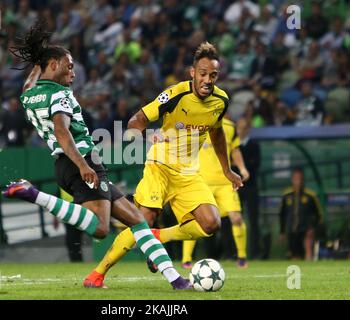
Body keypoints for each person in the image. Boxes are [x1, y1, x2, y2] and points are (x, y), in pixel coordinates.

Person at [3, 21, 189, 290]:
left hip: (65, 164)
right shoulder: (60, 95)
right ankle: (33, 194)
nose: (73, 73)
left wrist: (38, 61)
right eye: (69, 66)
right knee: (101, 229)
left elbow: (32, 81)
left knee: (137, 220)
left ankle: (176, 280)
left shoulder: (29, 94)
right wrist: (83, 166)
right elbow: (62, 131)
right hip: (81, 161)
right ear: (53, 65)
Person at [85, 42, 243, 286]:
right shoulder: (175, 94)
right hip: (159, 166)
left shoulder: (221, 101)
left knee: (211, 223)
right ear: (192, 73)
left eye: (213, 75)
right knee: (141, 222)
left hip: (188, 173)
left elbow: (217, 132)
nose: (207, 80)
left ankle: (159, 236)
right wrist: (148, 136)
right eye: (203, 74)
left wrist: (227, 169)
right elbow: (136, 121)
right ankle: (97, 274)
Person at [181, 116, 250, 269]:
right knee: (194, 219)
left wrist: (243, 168)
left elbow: (235, 150)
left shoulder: (229, 127)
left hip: (225, 183)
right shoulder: (195, 123)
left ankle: (242, 256)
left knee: (236, 218)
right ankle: (186, 259)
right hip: (201, 182)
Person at [279, 168, 322, 260]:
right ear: (292, 180)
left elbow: (318, 214)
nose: (298, 181)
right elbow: (282, 214)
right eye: (296, 178)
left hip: (306, 230)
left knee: (307, 250)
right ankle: (297, 272)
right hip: (292, 230)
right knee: (294, 255)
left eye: (300, 178)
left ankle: (309, 269)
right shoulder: (287, 195)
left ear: (303, 180)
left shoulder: (311, 196)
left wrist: (313, 228)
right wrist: (282, 231)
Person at [237, 117, 261, 259]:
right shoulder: (232, 145)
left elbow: (255, 165)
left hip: (251, 187)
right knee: (233, 219)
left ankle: (256, 253)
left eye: (244, 127)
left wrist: (241, 169)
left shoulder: (254, 145)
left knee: (253, 220)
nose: (241, 130)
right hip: (236, 187)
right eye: (239, 127)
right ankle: (232, 252)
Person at [53, 188, 83, 262]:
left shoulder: (64, 185)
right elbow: (55, 202)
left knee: (73, 241)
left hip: (77, 216)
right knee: (73, 241)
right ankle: (76, 260)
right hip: (69, 218)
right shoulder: (62, 187)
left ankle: (76, 260)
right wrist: (55, 219)